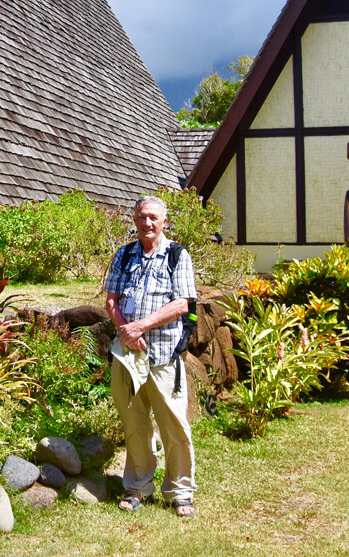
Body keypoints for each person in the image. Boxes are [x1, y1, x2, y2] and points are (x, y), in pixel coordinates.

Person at [105, 195, 197, 517]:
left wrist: (139, 326)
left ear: (164, 221)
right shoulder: (125, 254)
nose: (147, 223)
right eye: (142, 217)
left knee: (174, 425)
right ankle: (137, 487)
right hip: (129, 356)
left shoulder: (176, 255)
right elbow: (112, 301)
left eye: (153, 218)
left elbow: (182, 303)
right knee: (135, 424)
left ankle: (180, 491)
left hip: (162, 355)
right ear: (134, 219)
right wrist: (125, 331)